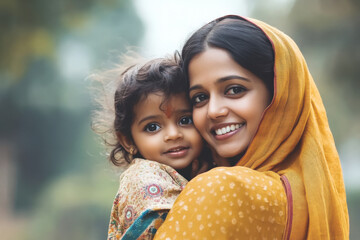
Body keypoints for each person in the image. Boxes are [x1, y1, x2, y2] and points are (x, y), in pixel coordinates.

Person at [154, 15, 349, 239]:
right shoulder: (313, 197)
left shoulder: (220, 189)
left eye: (234, 89)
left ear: (279, 94)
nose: (214, 110)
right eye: (199, 98)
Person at [92, 55, 207, 239]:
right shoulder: (143, 179)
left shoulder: (198, 170)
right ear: (128, 141)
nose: (173, 134)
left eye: (185, 120)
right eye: (152, 127)